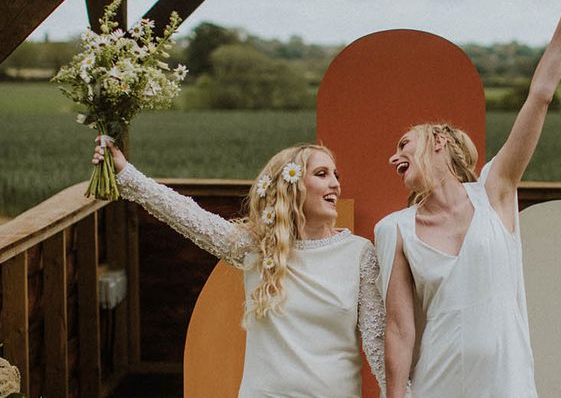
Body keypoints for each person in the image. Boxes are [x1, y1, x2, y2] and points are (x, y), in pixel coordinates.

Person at [375, 0, 561, 398]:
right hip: (437, 385)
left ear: (438, 142)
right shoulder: (394, 230)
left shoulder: (495, 191)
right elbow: (399, 332)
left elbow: (541, 94)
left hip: (507, 384)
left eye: (405, 145)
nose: (394, 157)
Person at [93, 141, 386, 398]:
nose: (335, 183)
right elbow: (187, 215)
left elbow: (378, 345)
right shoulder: (256, 248)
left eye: (336, 175)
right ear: (291, 185)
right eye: (322, 174)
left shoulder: (359, 253)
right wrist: (124, 173)